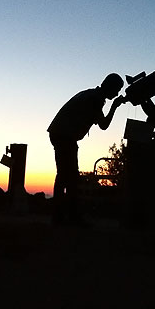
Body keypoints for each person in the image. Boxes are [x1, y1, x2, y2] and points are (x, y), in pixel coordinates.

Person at [48, 73, 127, 225]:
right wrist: (114, 107)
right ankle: (68, 217)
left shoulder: (92, 94)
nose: (117, 93)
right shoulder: (95, 99)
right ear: (110, 87)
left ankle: (61, 216)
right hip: (65, 135)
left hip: (61, 133)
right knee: (68, 177)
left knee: (65, 175)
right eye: (116, 90)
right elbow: (104, 125)